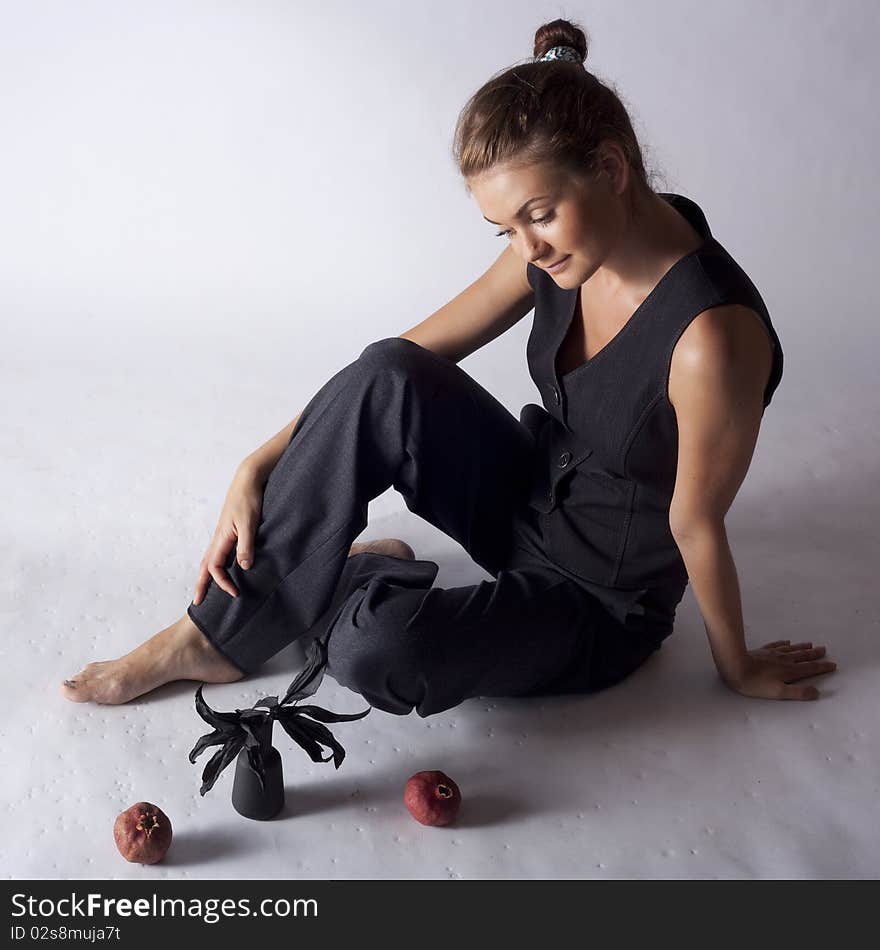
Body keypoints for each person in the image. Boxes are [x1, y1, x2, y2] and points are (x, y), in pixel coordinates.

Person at [60, 17, 836, 710]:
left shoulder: (711, 335)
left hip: (596, 599)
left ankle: (351, 576)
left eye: (537, 215)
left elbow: (695, 521)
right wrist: (259, 458)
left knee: (377, 651)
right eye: (504, 230)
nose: (527, 249)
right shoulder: (564, 246)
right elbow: (394, 367)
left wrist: (735, 665)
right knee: (387, 370)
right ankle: (215, 639)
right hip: (525, 504)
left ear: (610, 167)